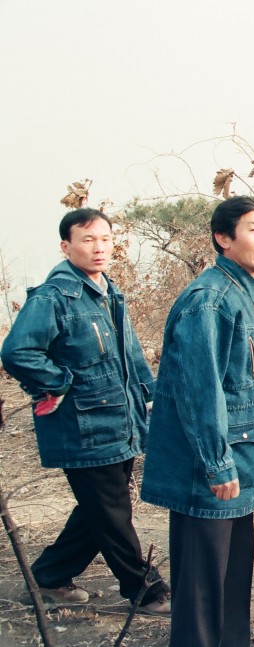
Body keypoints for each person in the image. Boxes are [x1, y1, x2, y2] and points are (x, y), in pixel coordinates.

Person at [0, 208, 171, 614]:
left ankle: (51, 574)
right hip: (83, 426)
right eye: (87, 240)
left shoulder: (109, 292)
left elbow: (131, 358)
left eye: (105, 240)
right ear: (66, 246)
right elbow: (16, 351)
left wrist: (152, 399)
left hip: (121, 421)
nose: (99, 248)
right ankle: (144, 588)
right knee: (111, 511)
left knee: (101, 507)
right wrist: (58, 381)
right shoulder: (54, 296)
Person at [140, 196, 254, 647]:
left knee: (232, 580)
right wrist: (218, 463)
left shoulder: (244, 294)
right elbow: (199, 391)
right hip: (213, 468)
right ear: (223, 238)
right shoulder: (210, 300)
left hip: (240, 458)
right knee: (201, 588)